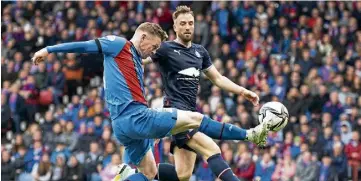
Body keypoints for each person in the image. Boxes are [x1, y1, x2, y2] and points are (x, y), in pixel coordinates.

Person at [32, 22, 270, 181]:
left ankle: (126, 174)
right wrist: (49, 49)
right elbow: (86, 45)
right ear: (142, 36)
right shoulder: (119, 45)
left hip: (123, 127)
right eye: (153, 46)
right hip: (137, 117)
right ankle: (250, 135)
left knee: (151, 173)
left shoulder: (135, 57)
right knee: (195, 118)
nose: (152, 51)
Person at [118, 6, 266, 181]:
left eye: (190, 23)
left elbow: (217, 78)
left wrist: (242, 90)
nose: (187, 27)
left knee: (183, 175)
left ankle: (133, 175)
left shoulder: (200, 51)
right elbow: (141, 59)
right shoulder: (165, 48)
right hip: (176, 114)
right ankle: (249, 137)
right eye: (183, 23)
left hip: (189, 112)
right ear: (175, 27)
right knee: (212, 149)